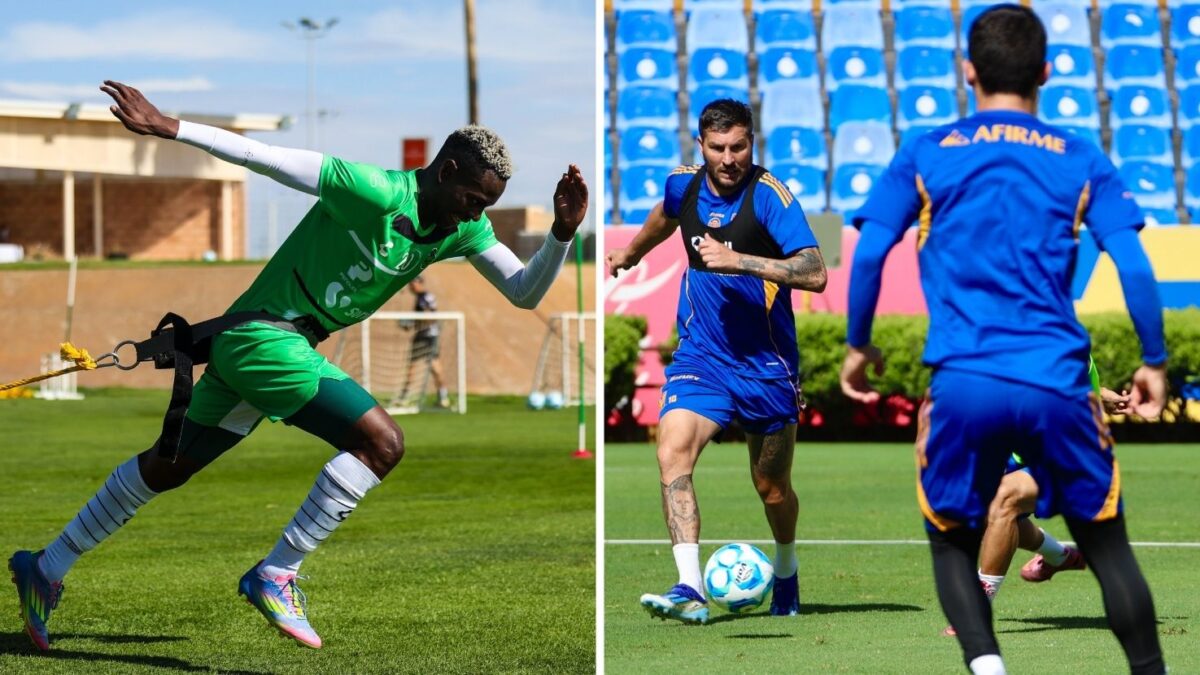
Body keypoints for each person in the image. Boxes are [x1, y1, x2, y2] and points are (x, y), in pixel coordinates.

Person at [8, 80, 588, 651]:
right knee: (382, 443)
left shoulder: (463, 230)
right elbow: (267, 157)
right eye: (473, 199)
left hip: (264, 346)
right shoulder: (375, 190)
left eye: (486, 206)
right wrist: (170, 127)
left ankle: (45, 567)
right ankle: (277, 573)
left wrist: (561, 235)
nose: (476, 214)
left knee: (167, 467)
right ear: (446, 172)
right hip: (264, 340)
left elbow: (524, 292)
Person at [839, 6, 1169, 674]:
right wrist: (1154, 360)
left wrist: (858, 343)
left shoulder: (928, 152)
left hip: (964, 380)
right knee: (1109, 546)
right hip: (1057, 380)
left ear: (968, 71)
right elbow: (1134, 265)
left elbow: (870, 252)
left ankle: (987, 665)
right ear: (1045, 72)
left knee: (950, 539)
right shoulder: (1079, 156)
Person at [606, 99, 827, 624]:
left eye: (739, 147)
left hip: (766, 367)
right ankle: (690, 586)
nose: (729, 159)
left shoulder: (770, 196)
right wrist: (632, 253)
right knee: (672, 452)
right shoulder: (683, 185)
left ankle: (787, 568)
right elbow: (664, 216)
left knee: (772, 488)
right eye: (718, 148)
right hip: (701, 356)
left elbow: (815, 271)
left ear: (753, 142)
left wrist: (739, 261)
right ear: (701, 146)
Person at [943, 358, 1131, 638]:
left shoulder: (1054, 343)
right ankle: (1059, 556)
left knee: (1004, 499)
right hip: (1023, 450)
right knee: (978, 510)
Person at [391, 275, 450, 410]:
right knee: (432, 366)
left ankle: (405, 397)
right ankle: (443, 397)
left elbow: (430, 317)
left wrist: (411, 322)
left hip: (427, 336)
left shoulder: (425, 297)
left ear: (419, 283)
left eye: (412, 283)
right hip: (426, 335)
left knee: (421, 367)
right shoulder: (421, 297)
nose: (410, 286)